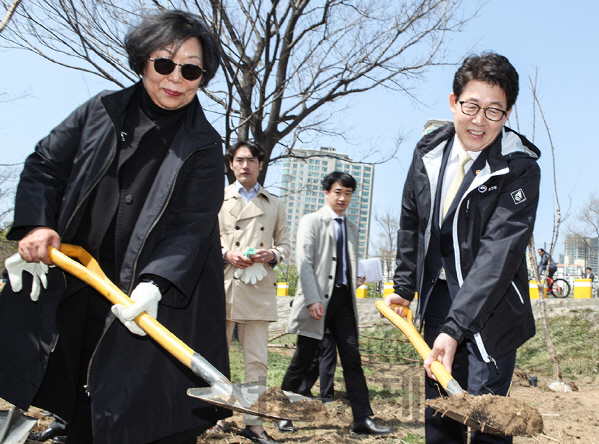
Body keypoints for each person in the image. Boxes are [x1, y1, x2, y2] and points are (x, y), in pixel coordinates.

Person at [0, 10, 230, 444]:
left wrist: (156, 283)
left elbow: (192, 226)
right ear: (143, 60)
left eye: (191, 69)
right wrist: (38, 227)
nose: (175, 78)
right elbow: (45, 166)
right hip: (82, 287)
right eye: (164, 63)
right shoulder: (99, 112)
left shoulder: (203, 143)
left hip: (154, 300)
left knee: (152, 416)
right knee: (84, 402)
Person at [384, 52, 540, 444]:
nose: (479, 121)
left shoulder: (518, 167)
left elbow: (499, 254)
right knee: (441, 412)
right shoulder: (428, 153)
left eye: (494, 112)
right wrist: (405, 286)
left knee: (489, 419)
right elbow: (411, 223)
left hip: (494, 308)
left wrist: (455, 329)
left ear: (507, 115)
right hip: (438, 299)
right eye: (471, 106)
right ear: (453, 102)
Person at [278, 171, 392, 436]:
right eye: (338, 192)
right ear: (326, 192)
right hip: (317, 300)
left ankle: (362, 419)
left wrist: (356, 277)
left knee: (353, 359)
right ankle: (281, 413)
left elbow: (345, 264)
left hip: (343, 301)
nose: (343, 198)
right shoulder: (311, 221)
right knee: (303, 360)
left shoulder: (351, 227)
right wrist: (313, 299)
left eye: (348, 193)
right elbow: (304, 262)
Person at [214, 140, 291, 444]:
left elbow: (285, 245)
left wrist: (270, 254)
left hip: (257, 288)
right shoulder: (217, 199)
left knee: (257, 361)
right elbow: (205, 238)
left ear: (260, 164)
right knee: (216, 357)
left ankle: (254, 424)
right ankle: (216, 417)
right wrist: (225, 254)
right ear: (231, 164)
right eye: (239, 159)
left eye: (251, 160)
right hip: (222, 286)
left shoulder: (274, 203)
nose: (245, 165)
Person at [297, 332, 337, 403]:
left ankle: (303, 389)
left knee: (316, 356)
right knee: (327, 356)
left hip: (315, 329)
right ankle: (327, 397)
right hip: (326, 328)